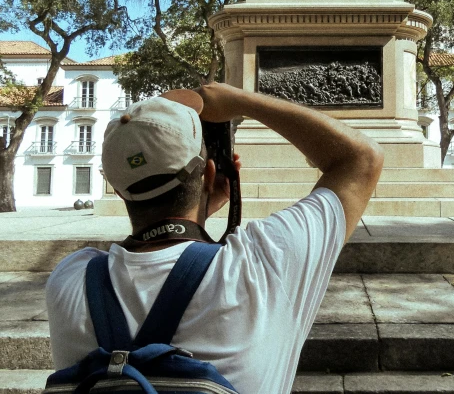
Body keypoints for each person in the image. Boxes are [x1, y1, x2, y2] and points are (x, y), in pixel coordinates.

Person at [46, 83, 383, 394]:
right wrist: (240, 100)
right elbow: (361, 159)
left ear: (118, 190)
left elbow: (156, 253)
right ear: (209, 173)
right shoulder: (262, 263)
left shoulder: (71, 278)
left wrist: (199, 206)